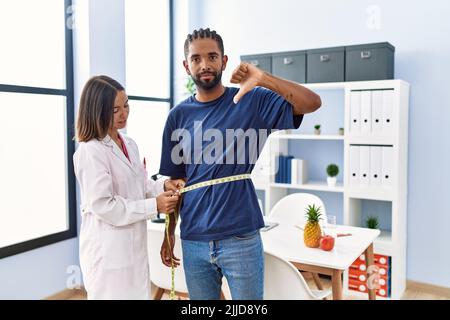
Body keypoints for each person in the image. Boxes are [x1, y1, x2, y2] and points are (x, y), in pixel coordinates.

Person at [159, 28, 322, 300]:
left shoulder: (251, 100)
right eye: (196, 59)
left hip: (241, 239)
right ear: (187, 66)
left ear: (224, 61)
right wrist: (170, 232)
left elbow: (312, 103)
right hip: (193, 240)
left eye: (212, 57)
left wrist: (262, 78)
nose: (205, 65)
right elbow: (176, 184)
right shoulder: (177, 117)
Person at [73, 75, 184, 299]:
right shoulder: (90, 151)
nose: (123, 114)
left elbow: (141, 185)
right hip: (107, 254)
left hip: (133, 249)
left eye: (126, 105)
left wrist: (164, 185)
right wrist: (155, 206)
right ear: (97, 110)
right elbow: (105, 206)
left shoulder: (129, 143)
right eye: (115, 110)